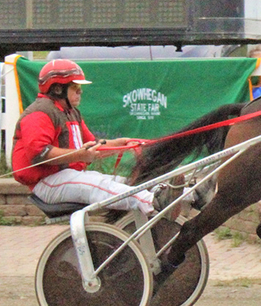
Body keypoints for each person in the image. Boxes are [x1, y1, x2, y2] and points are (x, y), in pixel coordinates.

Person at [12, 59, 174, 215]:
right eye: (75, 88)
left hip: (67, 177)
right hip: (46, 183)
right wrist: (81, 155)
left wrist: (123, 144)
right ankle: (153, 202)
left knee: (122, 183)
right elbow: (39, 154)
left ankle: (185, 195)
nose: (80, 92)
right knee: (100, 185)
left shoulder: (71, 113)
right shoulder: (39, 113)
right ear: (57, 89)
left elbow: (93, 146)